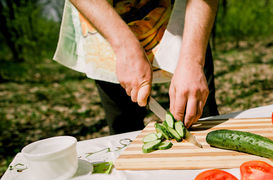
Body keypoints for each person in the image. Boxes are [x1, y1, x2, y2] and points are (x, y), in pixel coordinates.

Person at [69, 0, 219, 134]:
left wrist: (193, 60)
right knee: (124, 128)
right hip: (103, 20)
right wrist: (124, 45)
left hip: (184, 20)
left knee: (201, 114)